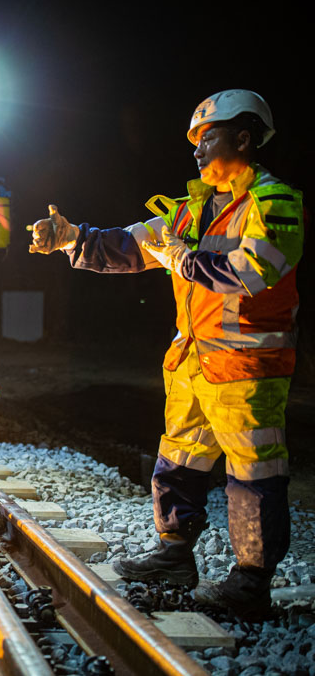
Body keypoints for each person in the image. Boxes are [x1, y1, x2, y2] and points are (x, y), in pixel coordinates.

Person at [28, 90, 303, 620]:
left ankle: (251, 583)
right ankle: (175, 555)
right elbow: (129, 246)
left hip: (247, 368)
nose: (196, 150)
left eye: (207, 138)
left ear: (244, 139)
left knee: (255, 474)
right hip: (193, 363)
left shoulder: (275, 203)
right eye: (194, 141)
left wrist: (183, 259)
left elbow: (254, 271)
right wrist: (69, 237)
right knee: (179, 459)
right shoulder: (191, 209)